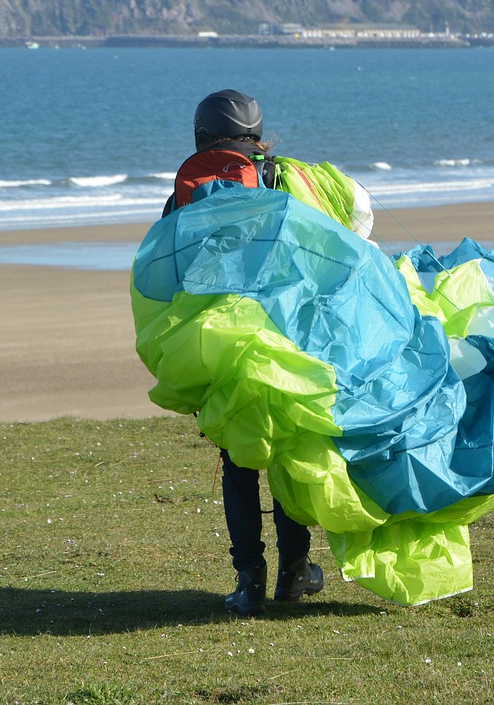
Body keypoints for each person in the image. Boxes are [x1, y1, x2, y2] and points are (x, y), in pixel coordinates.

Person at [163, 89, 329, 616]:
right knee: (284, 453)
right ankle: (295, 573)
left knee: (237, 462)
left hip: (218, 345)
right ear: (258, 135)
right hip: (282, 337)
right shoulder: (285, 181)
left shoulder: (186, 191)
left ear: (201, 134)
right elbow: (324, 248)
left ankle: (248, 583)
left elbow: (165, 268)